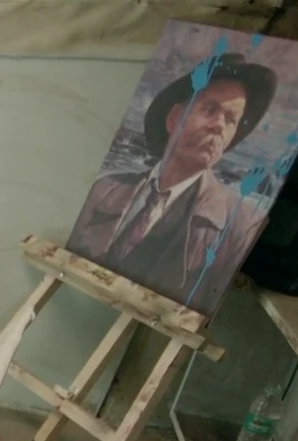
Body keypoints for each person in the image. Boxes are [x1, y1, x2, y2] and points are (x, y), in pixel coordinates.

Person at [66, 53, 276, 312]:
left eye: (231, 119)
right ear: (174, 118)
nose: (219, 126)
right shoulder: (105, 189)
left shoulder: (240, 228)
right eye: (210, 110)